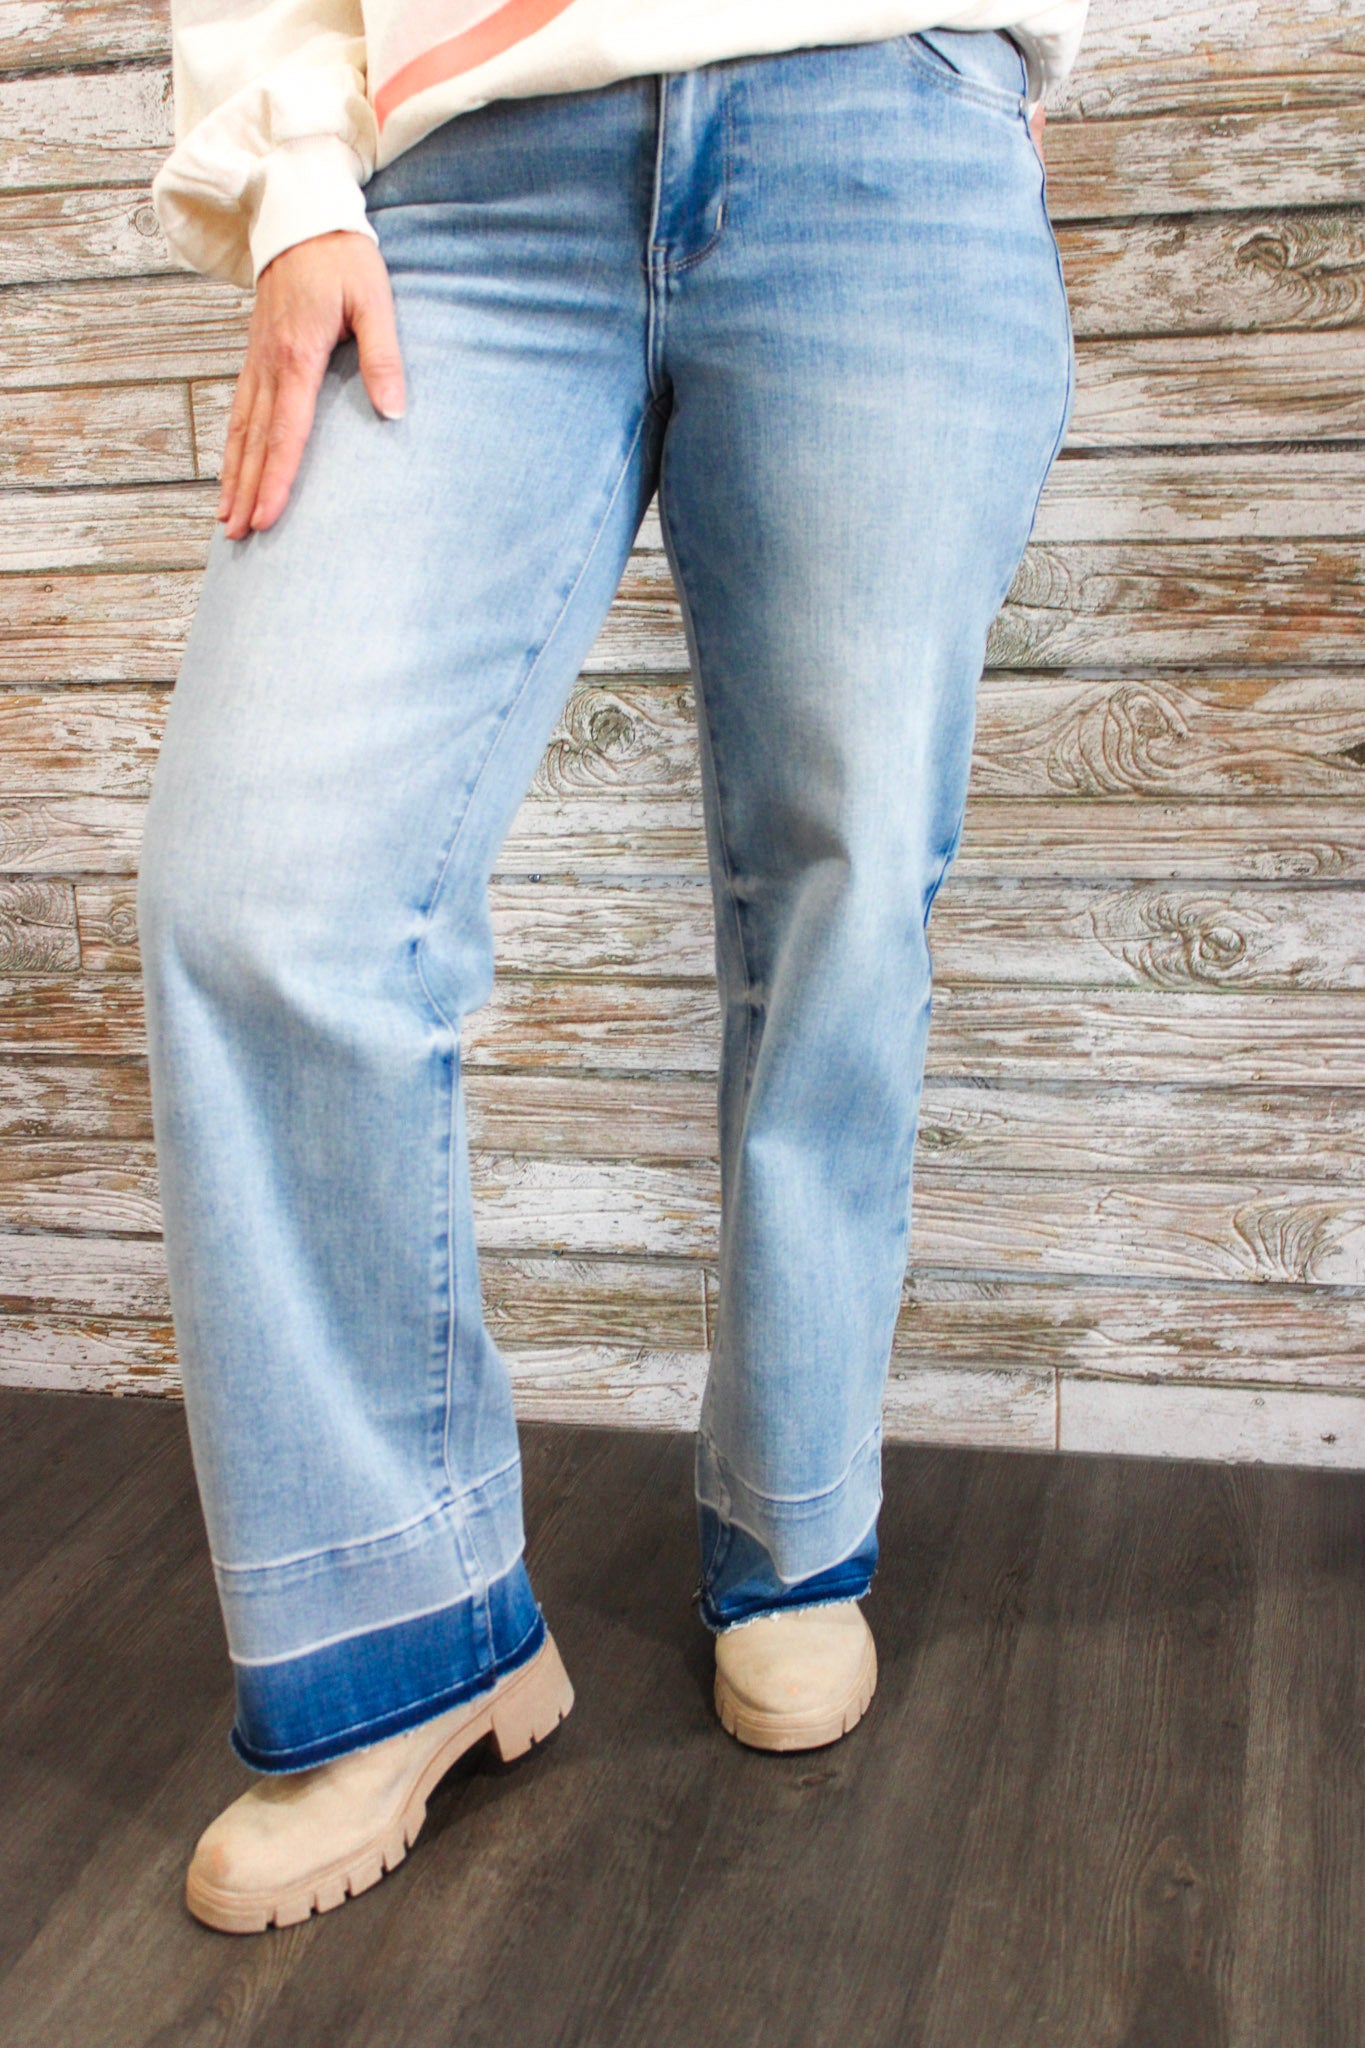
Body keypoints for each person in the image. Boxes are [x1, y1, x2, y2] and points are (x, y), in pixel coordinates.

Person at [140, 0, 1089, 1935]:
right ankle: (405, 1628)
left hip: (880, 113)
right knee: (259, 884)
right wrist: (293, 175)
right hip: (459, 173)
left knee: (841, 877)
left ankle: (795, 1529)